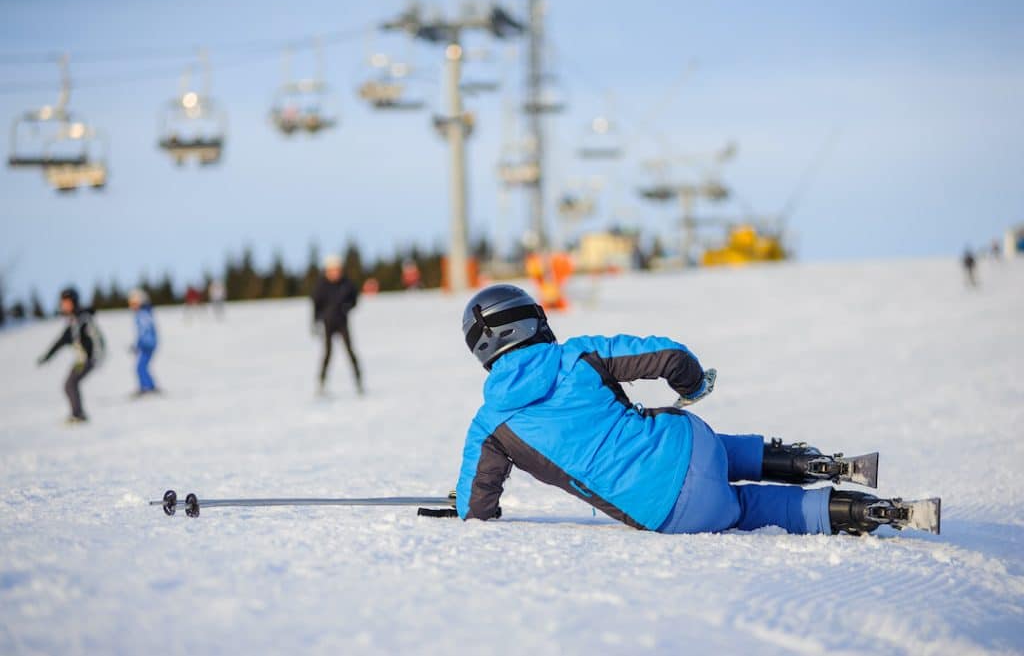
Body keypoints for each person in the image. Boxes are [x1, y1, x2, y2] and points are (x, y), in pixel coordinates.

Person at [455, 285, 938, 536]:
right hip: (691, 443)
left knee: (746, 509)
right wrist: (690, 385)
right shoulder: (576, 355)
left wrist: (466, 507)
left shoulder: (489, 427)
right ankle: (808, 462)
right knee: (714, 451)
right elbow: (671, 357)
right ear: (533, 322)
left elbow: (477, 506)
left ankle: (857, 513)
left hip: (666, 512)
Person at [37, 287, 104, 424]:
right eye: (62, 303)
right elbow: (61, 341)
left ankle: (78, 414)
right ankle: (77, 413)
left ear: (73, 302)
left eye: (66, 302)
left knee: (70, 384)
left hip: (88, 359)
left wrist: (95, 356)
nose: (63, 306)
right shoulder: (74, 321)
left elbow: (96, 338)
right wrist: (47, 356)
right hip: (82, 359)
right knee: (70, 384)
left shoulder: (83, 319)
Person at [311, 255, 363, 395]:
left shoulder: (347, 283)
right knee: (327, 354)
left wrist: (347, 307)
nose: (335, 273)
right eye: (332, 270)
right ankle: (321, 384)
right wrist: (315, 322)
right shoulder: (321, 285)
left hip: (342, 322)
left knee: (350, 352)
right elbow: (316, 305)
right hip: (328, 324)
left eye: (337, 270)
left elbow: (355, 299)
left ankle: (359, 382)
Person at [128, 288, 159, 396]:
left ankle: (147, 387)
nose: (131, 306)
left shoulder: (142, 314)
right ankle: (148, 386)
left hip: (147, 344)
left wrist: (139, 344)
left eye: (133, 303)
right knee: (142, 367)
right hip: (148, 343)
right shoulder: (143, 313)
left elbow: (145, 331)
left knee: (140, 367)